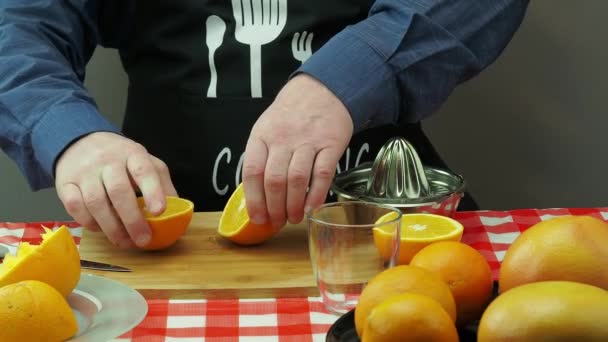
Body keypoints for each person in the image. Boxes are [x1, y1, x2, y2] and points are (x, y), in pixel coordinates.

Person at [0, 1, 529, 249]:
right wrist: (67, 131)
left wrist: (343, 82)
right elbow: (16, 26)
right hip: (167, 239)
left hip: (385, 235)